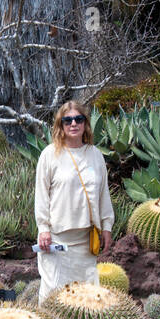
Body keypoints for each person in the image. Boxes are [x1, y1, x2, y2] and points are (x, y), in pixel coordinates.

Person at [34, 100, 114, 303]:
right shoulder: (50, 155)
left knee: (85, 298)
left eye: (78, 119)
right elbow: (42, 195)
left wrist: (107, 226)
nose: (73, 124)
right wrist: (43, 228)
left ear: (86, 124)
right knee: (53, 296)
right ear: (60, 125)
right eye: (67, 120)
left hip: (86, 241)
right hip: (57, 240)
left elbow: (103, 193)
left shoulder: (95, 155)